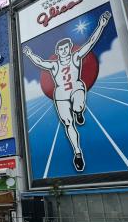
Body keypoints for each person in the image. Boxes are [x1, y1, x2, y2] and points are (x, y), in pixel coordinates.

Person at [23, 11, 111, 172]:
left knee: (78, 98)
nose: (64, 50)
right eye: (61, 49)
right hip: (61, 94)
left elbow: (90, 42)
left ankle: (79, 111)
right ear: (57, 52)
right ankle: (77, 153)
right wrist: (29, 54)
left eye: (66, 47)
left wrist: (101, 25)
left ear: (69, 48)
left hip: (76, 87)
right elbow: (41, 62)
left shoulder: (76, 57)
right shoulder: (54, 65)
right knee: (68, 123)